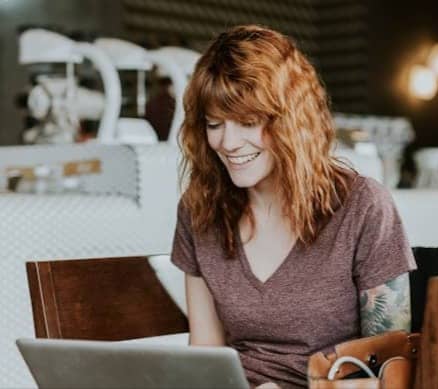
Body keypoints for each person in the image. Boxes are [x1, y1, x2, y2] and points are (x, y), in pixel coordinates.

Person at [171, 25, 416, 389]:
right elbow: (205, 357)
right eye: (214, 124)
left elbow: (393, 371)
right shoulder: (199, 211)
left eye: (249, 123)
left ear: (291, 121)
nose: (228, 142)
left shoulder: (363, 207)